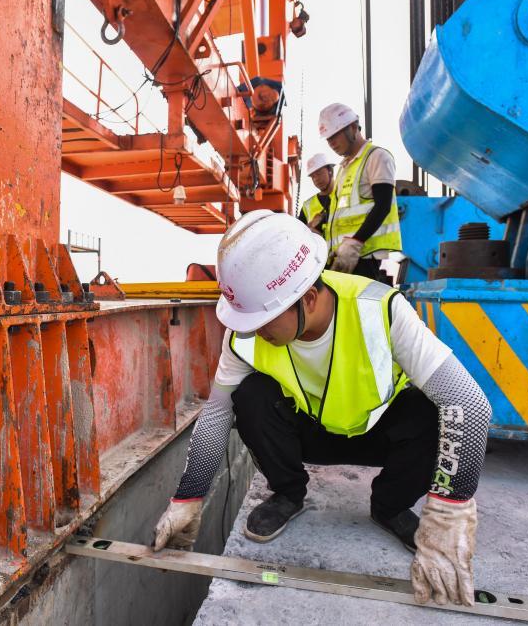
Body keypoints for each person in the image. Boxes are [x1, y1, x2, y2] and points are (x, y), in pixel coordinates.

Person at [152, 211, 491, 607]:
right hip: (311, 433)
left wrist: (449, 514)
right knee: (250, 396)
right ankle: (288, 494)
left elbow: (470, 404)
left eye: (263, 320)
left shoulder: (379, 308)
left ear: (309, 299)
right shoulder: (245, 334)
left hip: (379, 431)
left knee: (433, 412)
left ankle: (390, 506)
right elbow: (216, 414)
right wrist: (187, 499)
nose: (253, 330)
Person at [317, 102, 402, 282]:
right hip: (343, 255)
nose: (331, 143)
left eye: (335, 135)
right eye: (328, 139)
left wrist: (356, 243)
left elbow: (383, 205)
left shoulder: (377, 157)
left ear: (354, 128)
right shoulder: (344, 168)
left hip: (365, 256)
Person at [297, 152, 338, 239]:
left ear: (330, 171)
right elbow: (298, 235)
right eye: (312, 177)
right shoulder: (307, 206)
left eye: (319, 174)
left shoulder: (344, 194)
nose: (316, 179)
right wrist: (310, 228)